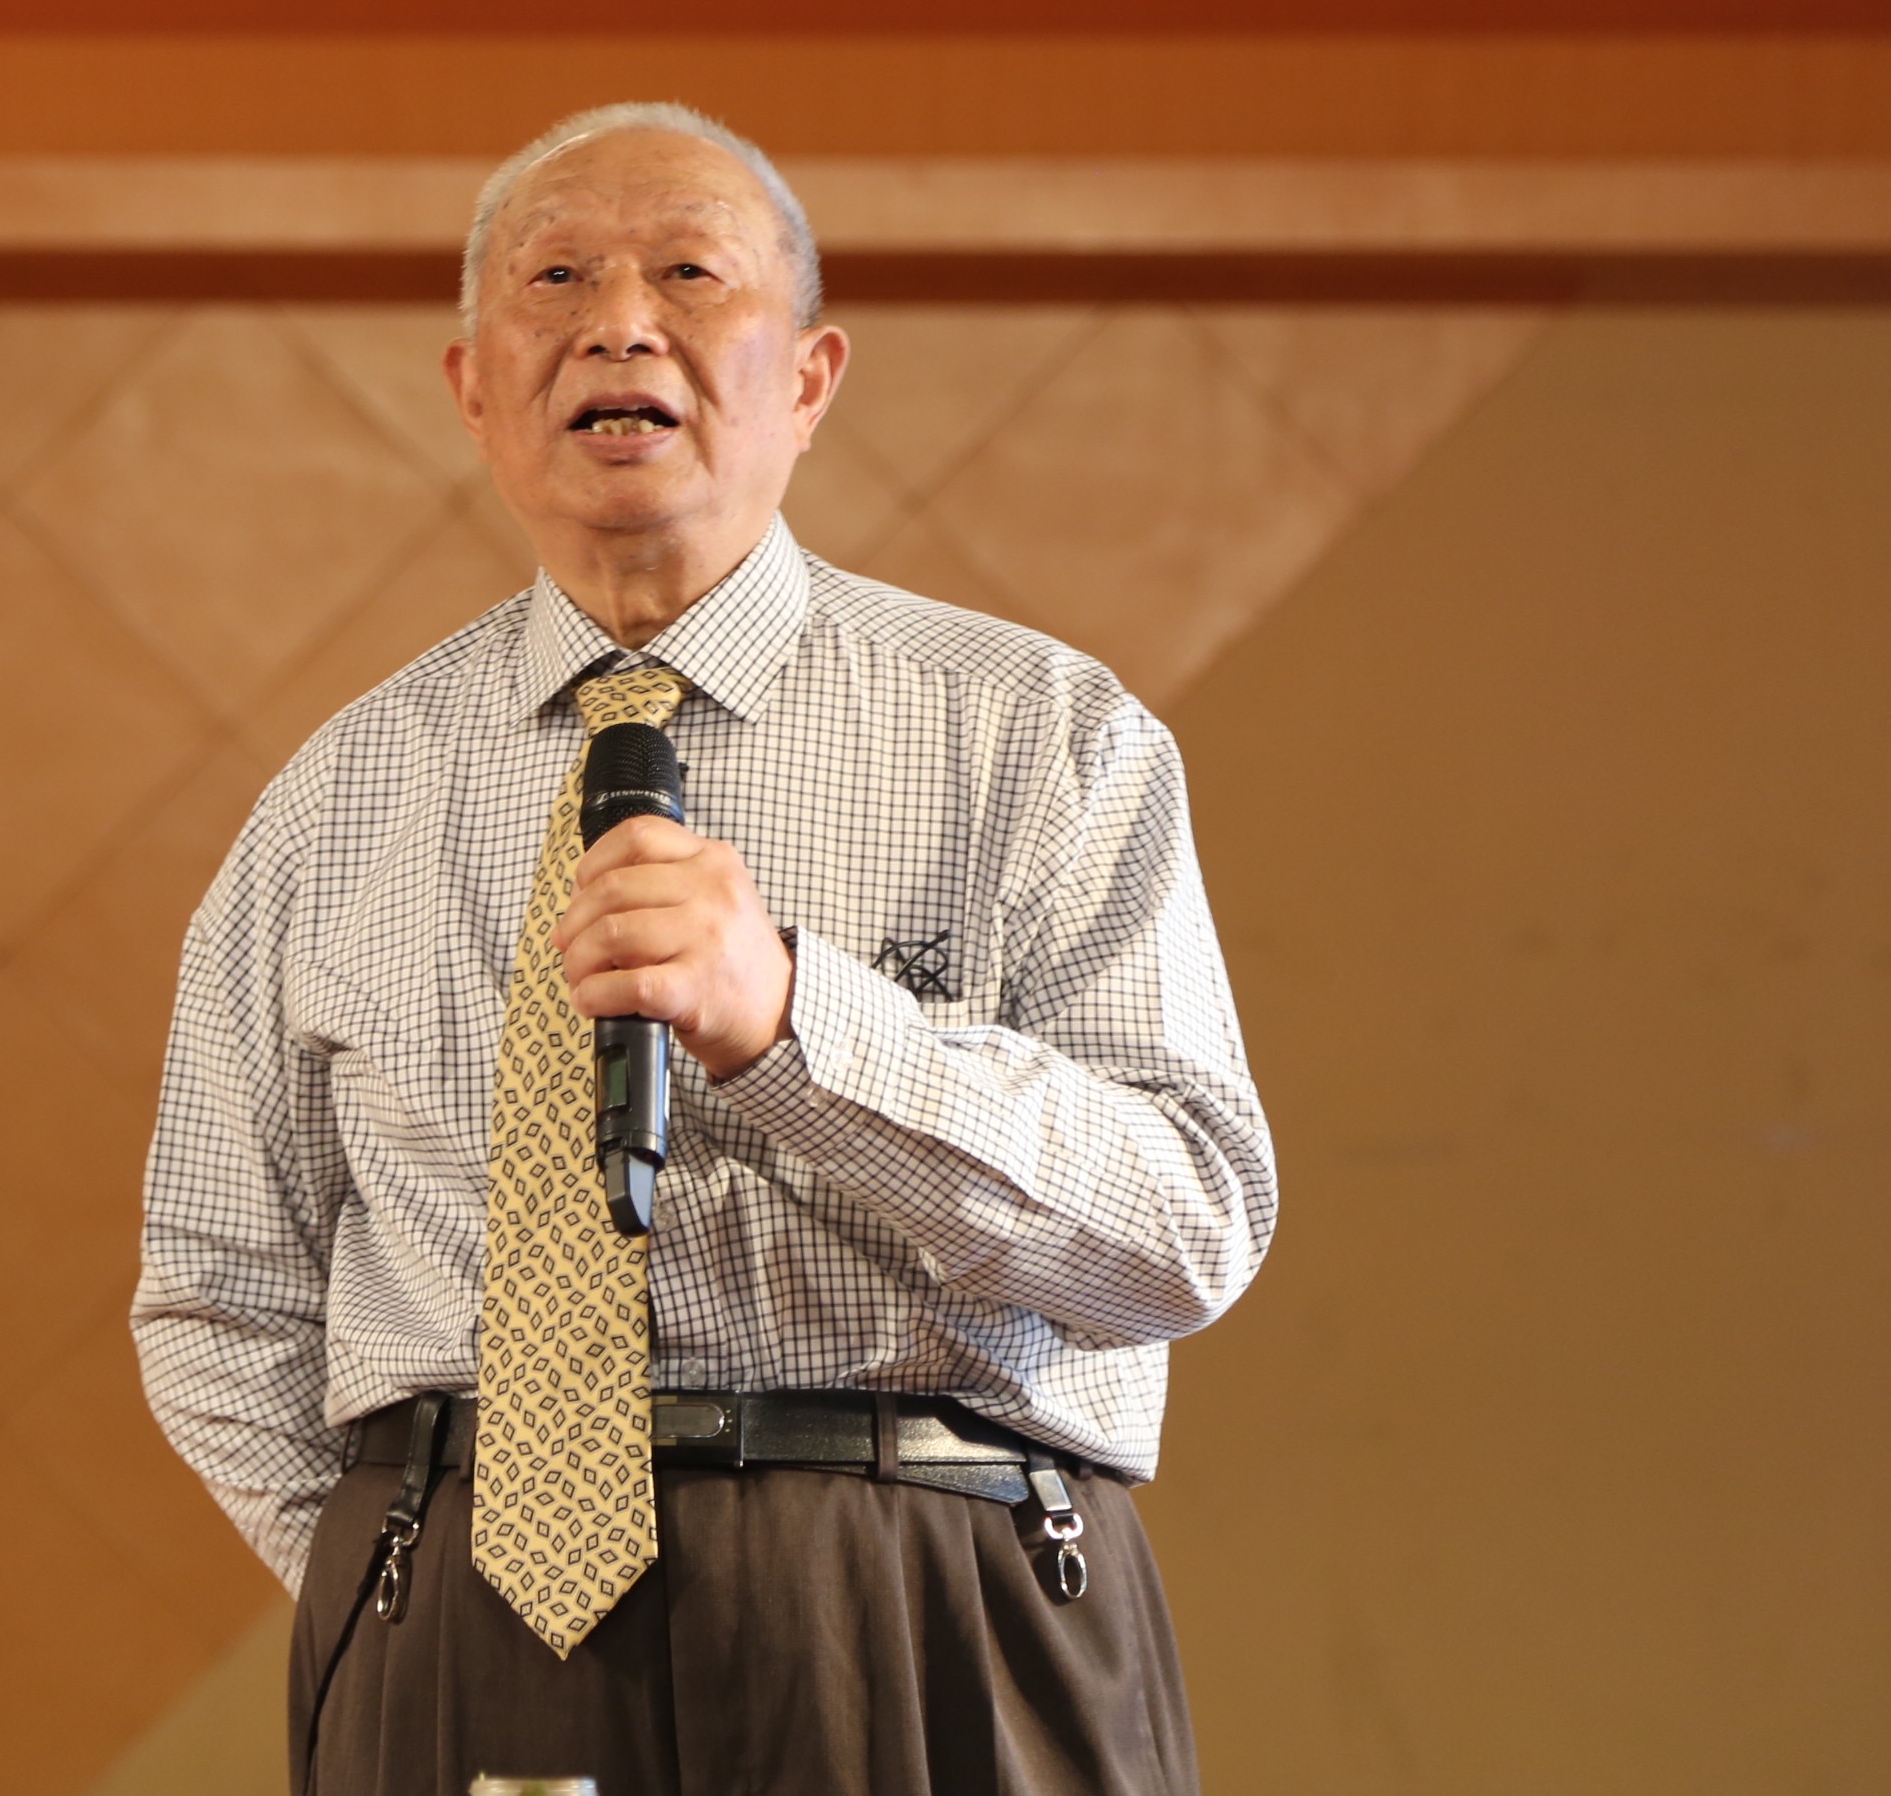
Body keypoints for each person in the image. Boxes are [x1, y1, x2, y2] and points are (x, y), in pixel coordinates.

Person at [133, 104, 1275, 1796]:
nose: (619, 324)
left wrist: (801, 1025)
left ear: (809, 379)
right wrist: (410, 1580)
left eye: (687, 274)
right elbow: (217, 1291)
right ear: (471, 385)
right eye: (557, 280)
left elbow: (1187, 1226)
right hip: (463, 1621)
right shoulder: (333, 799)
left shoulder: (1036, 736)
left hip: (925, 1589)